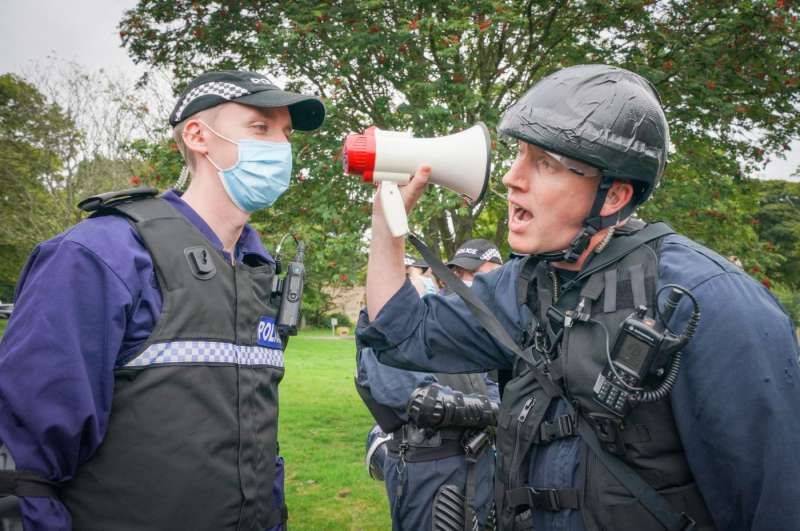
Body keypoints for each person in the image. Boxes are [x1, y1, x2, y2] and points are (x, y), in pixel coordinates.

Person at [357, 64, 800, 531]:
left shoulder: (706, 302)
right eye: (519, 155)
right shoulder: (527, 284)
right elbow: (400, 331)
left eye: (544, 163)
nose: (511, 178)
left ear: (613, 196)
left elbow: (776, 501)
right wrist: (387, 224)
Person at [0, 70, 325, 530]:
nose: (280, 147)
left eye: (286, 134)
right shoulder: (102, 254)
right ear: (198, 136)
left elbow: (253, 441)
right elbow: (25, 470)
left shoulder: (256, 268)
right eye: (260, 127)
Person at [356, 249, 502, 530]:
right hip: (429, 468)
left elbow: (495, 387)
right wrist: (493, 410)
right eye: (417, 273)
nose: (428, 280)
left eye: (424, 273)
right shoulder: (383, 331)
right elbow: (420, 400)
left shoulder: (460, 329)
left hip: (480, 463)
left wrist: (492, 407)